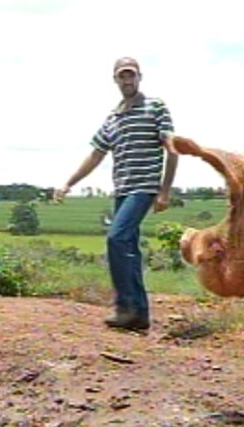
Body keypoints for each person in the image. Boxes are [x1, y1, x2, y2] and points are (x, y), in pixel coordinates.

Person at [55, 57, 179, 331]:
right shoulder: (113, 118)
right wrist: (68, 183)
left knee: (116, 238)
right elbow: (96, 155)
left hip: (144, 187)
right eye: (122, 76)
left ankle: (126, 307)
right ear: (115, 80)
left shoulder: (155, 106)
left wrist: (164, 191)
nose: (127, 80)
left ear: (139, 77)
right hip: (122, 189)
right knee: (129, 249)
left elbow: (172, 150)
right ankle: (139, 314)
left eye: (131, 75)